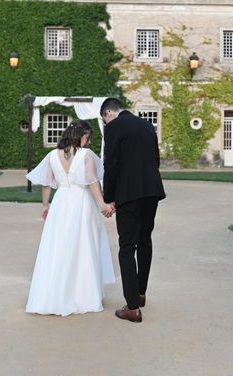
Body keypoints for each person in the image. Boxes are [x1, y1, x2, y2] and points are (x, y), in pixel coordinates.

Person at [25, 119, 115, 316]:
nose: (88, 141)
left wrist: (45, 205)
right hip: (81, 202)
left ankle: (53, 294)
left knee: (58, 245)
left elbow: (47, 183)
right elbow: (92, 181)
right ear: (79, 135)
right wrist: (102, 205)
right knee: (83, 245)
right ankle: (83, 295)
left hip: (61, 203)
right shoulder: (86, 155)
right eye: (87, 137)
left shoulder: (52, 155)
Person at [100, 98, 166, 323]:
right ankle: (140, 292)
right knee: (144, 240)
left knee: (126, 246)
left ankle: (132, 307)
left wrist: (108, 198)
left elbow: (111, 164)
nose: (105, 124)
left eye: (104, 120)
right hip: (152, 190)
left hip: (128, 194)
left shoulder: (114, 128)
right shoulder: (147, 125)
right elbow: (155, 160)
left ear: (109, 113)